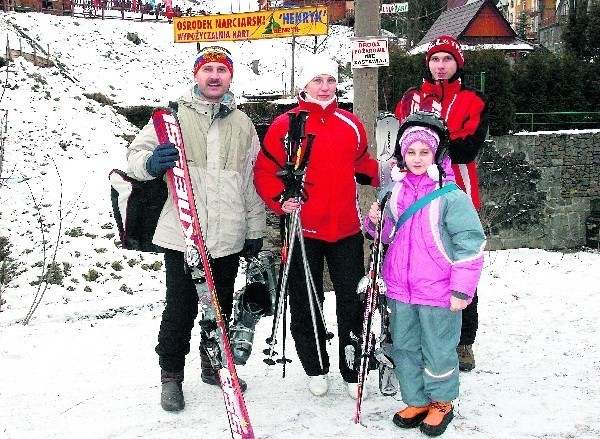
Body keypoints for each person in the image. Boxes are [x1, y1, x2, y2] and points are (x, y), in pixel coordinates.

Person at [126, 46, 266, 412]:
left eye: (222, 70)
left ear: (231, 77)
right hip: (182, 233)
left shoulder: (242, 123)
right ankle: (171, 376)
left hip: (228, 235)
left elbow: (252, 180)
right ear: (196, 75)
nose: (215, 76)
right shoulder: (170, 118)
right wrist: (152, 163)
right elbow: (134, 159)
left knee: (219, 307)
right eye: (209, 70)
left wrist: (255, 228)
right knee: (180, 309)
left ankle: (214, 365)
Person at [253, 53, 379, 399]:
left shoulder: (351, 123)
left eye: (330, 80)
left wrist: (398, 176)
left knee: (353, 301)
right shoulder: (285, 125)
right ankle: (316, 367)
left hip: (346, 229)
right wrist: (281, 198)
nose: (324, 87)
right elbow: (264, 171)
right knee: (306, 301)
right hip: (301, 229)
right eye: (317, 81)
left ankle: (353, 367)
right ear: (303, 86)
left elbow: (364, 165)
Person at [366, 112, 486, 436]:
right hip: (400, 289)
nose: (417, 158)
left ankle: (441, 402)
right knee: (404, 346)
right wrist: (375, 221)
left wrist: (462, 290)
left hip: (438, 290)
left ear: (436, 154)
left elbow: (470, 243)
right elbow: (385, 236)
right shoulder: (392, 191)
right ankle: (416, 399)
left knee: (438, 347)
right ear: (402, 155)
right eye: (410, 152)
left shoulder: (451, 196)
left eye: (424, 152)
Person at [394, 35, 489, 372]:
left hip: (457, 191)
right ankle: (421, 338)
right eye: (435, 60)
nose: (441, 65)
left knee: (460, 264)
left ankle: (464, 341)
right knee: (419, 268)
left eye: (448, 59)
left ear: (457, 63)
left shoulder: (472, 98)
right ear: (428, 63)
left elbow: (468, 148)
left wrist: (432, 137)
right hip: (415, 195)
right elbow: (403, 142)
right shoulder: (411, 98)